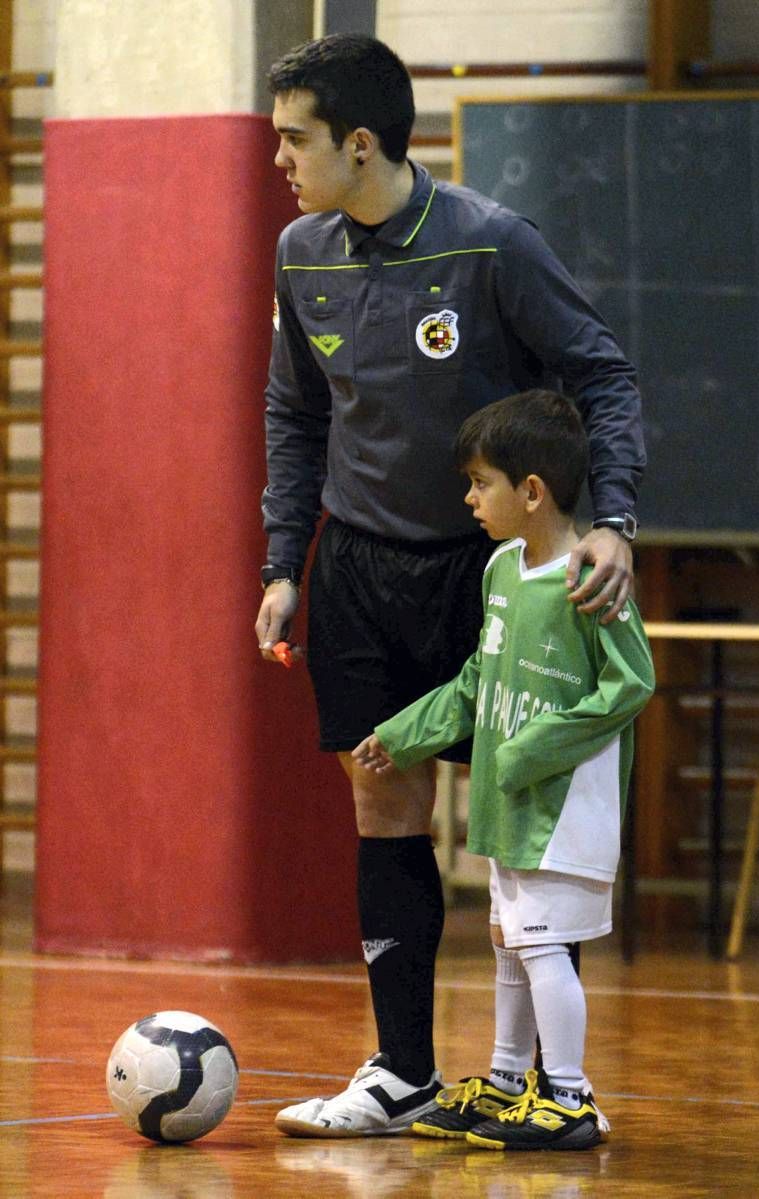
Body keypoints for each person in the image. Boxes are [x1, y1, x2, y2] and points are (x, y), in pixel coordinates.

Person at [256, 33, 646, 1138]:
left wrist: (608, 522)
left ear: (361, 142)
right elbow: (294, 413)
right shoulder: (298, 251)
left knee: (514, 827)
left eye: (295, 139)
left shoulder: (490, 246)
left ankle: (542, 1081)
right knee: (383, 795)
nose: (279, 160)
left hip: (489, 577)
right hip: (359, 567)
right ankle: (401, 1069)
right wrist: (285, 561)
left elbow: (601, 375)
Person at [351, 389, 654, 1150]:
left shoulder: (591, 580)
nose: (469, 496)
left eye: (480, 481)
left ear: (531, 491)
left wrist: (532, 747)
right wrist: (406, 734)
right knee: (508, 938)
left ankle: (571, 1096)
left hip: (560, 803)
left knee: (544, 942)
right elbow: (475, 680)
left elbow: (632, 683)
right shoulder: (500, 571)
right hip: (508, 802)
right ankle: (508, 1079)